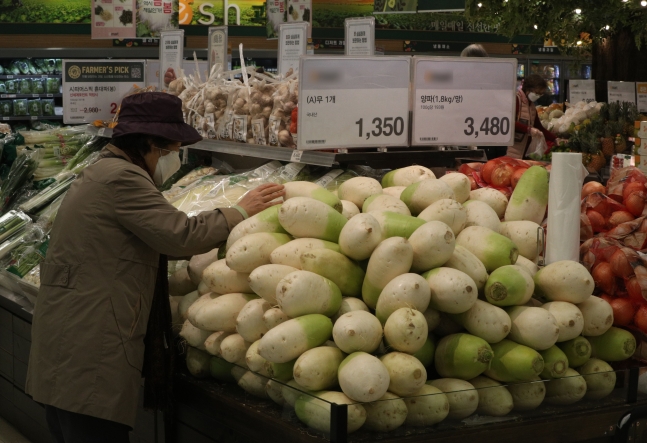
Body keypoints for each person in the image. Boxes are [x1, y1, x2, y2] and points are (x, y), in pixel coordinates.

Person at [25, 92, 285, 443]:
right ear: (151, 144)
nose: (175, 159)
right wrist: (239, 211)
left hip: (71, 335)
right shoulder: (122, 179)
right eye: (174, 150)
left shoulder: (103, 170)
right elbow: (181, 236)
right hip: (89, 342)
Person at [507, 74, 557, 159]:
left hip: (523, 153)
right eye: (537, 93)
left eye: (541, 94)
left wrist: (555, 139)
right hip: (512, 150)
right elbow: (508, 122)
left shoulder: (532, 106)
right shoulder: (516, 100)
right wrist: (528, 129)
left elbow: (539, 127)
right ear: (528, 89)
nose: (538, 96)